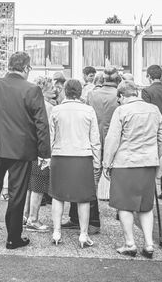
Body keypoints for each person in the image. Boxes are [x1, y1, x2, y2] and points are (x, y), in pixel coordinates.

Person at [0, 51, 51, 250]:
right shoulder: (32, 89)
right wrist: (44, 153)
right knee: (17, 193)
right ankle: (13, 238)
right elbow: (41, 124)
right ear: (26, 68)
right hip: (21, 150)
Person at [103, 80, 162, 258]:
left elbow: (113, 139)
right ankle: (148, 244)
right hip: (148, 163)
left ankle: (130, 243)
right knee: (146, 206)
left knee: (125, 205)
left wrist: (106, 163)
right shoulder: (154, 110)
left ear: (122, 96)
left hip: (126, 162)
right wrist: (161, 160)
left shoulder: (122, 110)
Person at [62, 66, 122, 232]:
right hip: (112, 142)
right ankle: (110, 215)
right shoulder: (118, 96)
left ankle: (81, 218)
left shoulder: (92, 94)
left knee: (82, 181)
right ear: (117, 80)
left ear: (102, 80)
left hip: (90, 142)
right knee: (99, 183)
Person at [49, 79, 101, 247]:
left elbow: (51, 136)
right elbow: (95, 140)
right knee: (83, 198)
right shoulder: (88, 110)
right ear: (79, 93)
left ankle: (56, 231)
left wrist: (48, 157)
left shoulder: (56, 110)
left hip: (60, 154)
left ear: (65, 91)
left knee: (58, 196)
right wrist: (97, 162)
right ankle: (83, 235)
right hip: (82, 156)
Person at [23, 76, 56, 233]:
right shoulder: (47, 107)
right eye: (50, 88)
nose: (54, 90)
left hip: (27, 148)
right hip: (41, 149)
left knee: (30, 184)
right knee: (38, 184)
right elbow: (49, 131)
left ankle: (25, 216)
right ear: (43, 90)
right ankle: (33, 219)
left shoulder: (28, 104)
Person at [141, 65, 162, 202]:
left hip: (150, 129)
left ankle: (146, 192)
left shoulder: (146, 91)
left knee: (147, 161)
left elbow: (145, 113)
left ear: (148, 76)